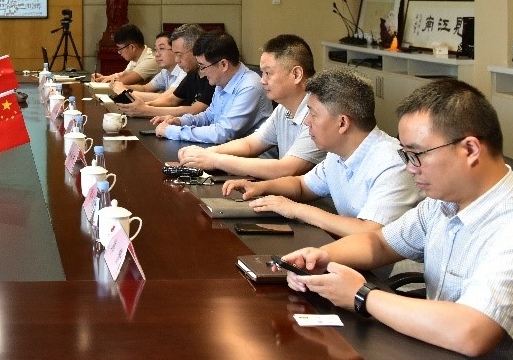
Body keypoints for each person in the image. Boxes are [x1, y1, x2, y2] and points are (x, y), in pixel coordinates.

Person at [281, 79, 513, 360]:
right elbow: (379, 243)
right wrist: (321, 257)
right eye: (406, 155)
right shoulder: (442, 203)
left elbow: (472, 332)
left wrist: (362, 295)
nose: (410, 168)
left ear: (470, 149)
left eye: (417, 154)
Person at [222, 67, 420, 236]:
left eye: (313, 114)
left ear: (342, 123)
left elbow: (370, 232)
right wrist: (261, 187)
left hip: (388, 269)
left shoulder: (391, 162)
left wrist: (296, 210)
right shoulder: (337, 153)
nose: (307, 122)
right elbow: (302, 186)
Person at [177, 34, 324, 179]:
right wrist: (206, 153)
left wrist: (215, 160)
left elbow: (286, 169)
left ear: (296, 74)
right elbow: (250, 144)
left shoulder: (319, 113)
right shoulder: (283, 109)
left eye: (268, 73)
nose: (262, 80)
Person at [153, 31, 270, 144]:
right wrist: (180, 121)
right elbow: (209, 116)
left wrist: (172, 131)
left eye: (202, 66)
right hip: (224, 151)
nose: (202, 72)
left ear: (223, 64)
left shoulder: (249, 86)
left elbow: (223, 133)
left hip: (251, 156)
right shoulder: (222, 81)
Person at [122, 25, 213, 121]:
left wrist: (146, 110)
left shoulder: (212, 75)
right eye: (175, 54)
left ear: (196, 50)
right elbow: (172, 100)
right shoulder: (192, 73)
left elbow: (196, 110)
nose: (177, 60)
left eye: (179, 54)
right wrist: (143, 106)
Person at [109, 32, 180, 100]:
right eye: (156, 49)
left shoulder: (183, 72)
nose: (157, 54)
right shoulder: (165, 71)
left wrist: (125, 91)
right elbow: (145, 88)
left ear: (175, 50)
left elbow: (167, 98)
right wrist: (122, 86)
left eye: (161, 49)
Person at [91, 23, 157, 86]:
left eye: (120, 48)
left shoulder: (150, 60)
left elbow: (123, 81)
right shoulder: (136, 58)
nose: (119, 52)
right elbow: (122, 75)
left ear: (132, 47)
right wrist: (103, 78)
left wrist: (103, 81)